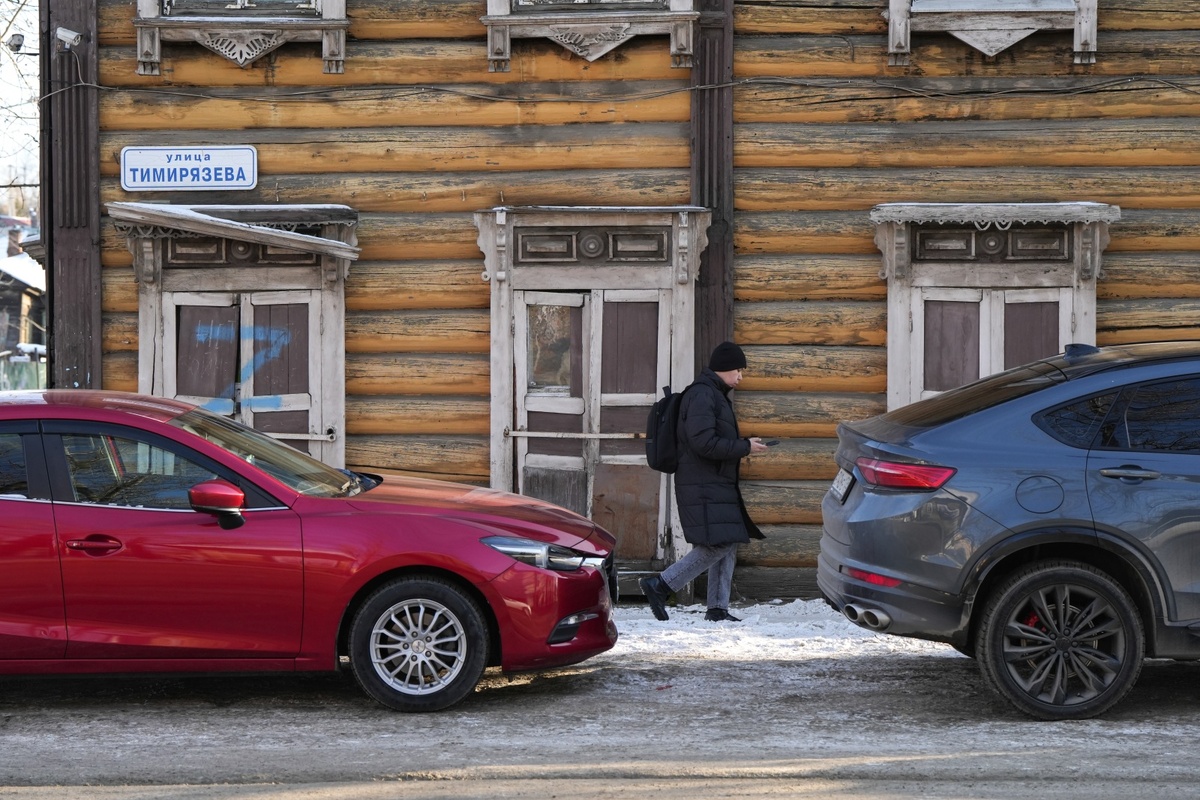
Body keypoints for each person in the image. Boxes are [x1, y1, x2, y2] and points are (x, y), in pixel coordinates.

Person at [639, 341, 768, 623]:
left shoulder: (714, 394)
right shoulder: (702, 396)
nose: (741, 377)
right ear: (724, 369)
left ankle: (717, 608)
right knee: (716, 545)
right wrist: (744, 447)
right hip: (702, 483)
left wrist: (744, 445)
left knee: (728, 540)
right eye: (738, 370)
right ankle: (660, 584)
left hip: (714, 482)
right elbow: (703, 443)